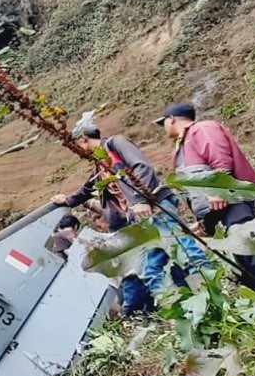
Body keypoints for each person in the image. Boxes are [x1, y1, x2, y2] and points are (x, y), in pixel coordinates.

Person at [52, 124, 209, 310]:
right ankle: (188, 311)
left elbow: (141, 166)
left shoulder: (115, 144)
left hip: (155, 208)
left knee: (184, 251)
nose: (77, 152)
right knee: (153, 269)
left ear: (83, 139)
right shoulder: (100, 166)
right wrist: (68, 200)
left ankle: (215, 294)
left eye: (76, 145)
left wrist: (141, 200)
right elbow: (88, 188)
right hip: (141, 220)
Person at [156, 102, 255, 289]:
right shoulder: (181, 147)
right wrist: (206, 220)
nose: (163, 127)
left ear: (172, 119)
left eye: (163, 122)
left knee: (251, 247)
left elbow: (220, 157)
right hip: (221, 209)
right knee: (241, 255)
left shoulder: (202, 128)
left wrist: (218, 191)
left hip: (236, 201)